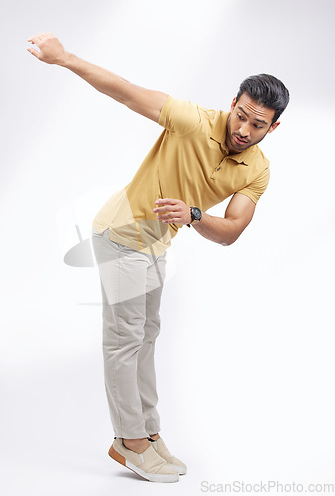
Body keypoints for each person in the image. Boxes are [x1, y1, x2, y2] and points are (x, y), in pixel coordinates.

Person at [27, 32, 289, 483]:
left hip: (156, 244)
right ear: (233, 103)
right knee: (125, 339)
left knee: (147, 335)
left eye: (257, 124)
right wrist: (65, 58)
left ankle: (148, 432)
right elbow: (125, 91)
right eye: (241, 115)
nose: (243, 129)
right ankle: (127, 441)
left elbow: (231, 232)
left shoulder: (258, 169)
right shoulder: (191, 119)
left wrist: (191, 215)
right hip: (122, 233)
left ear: (273, 127)